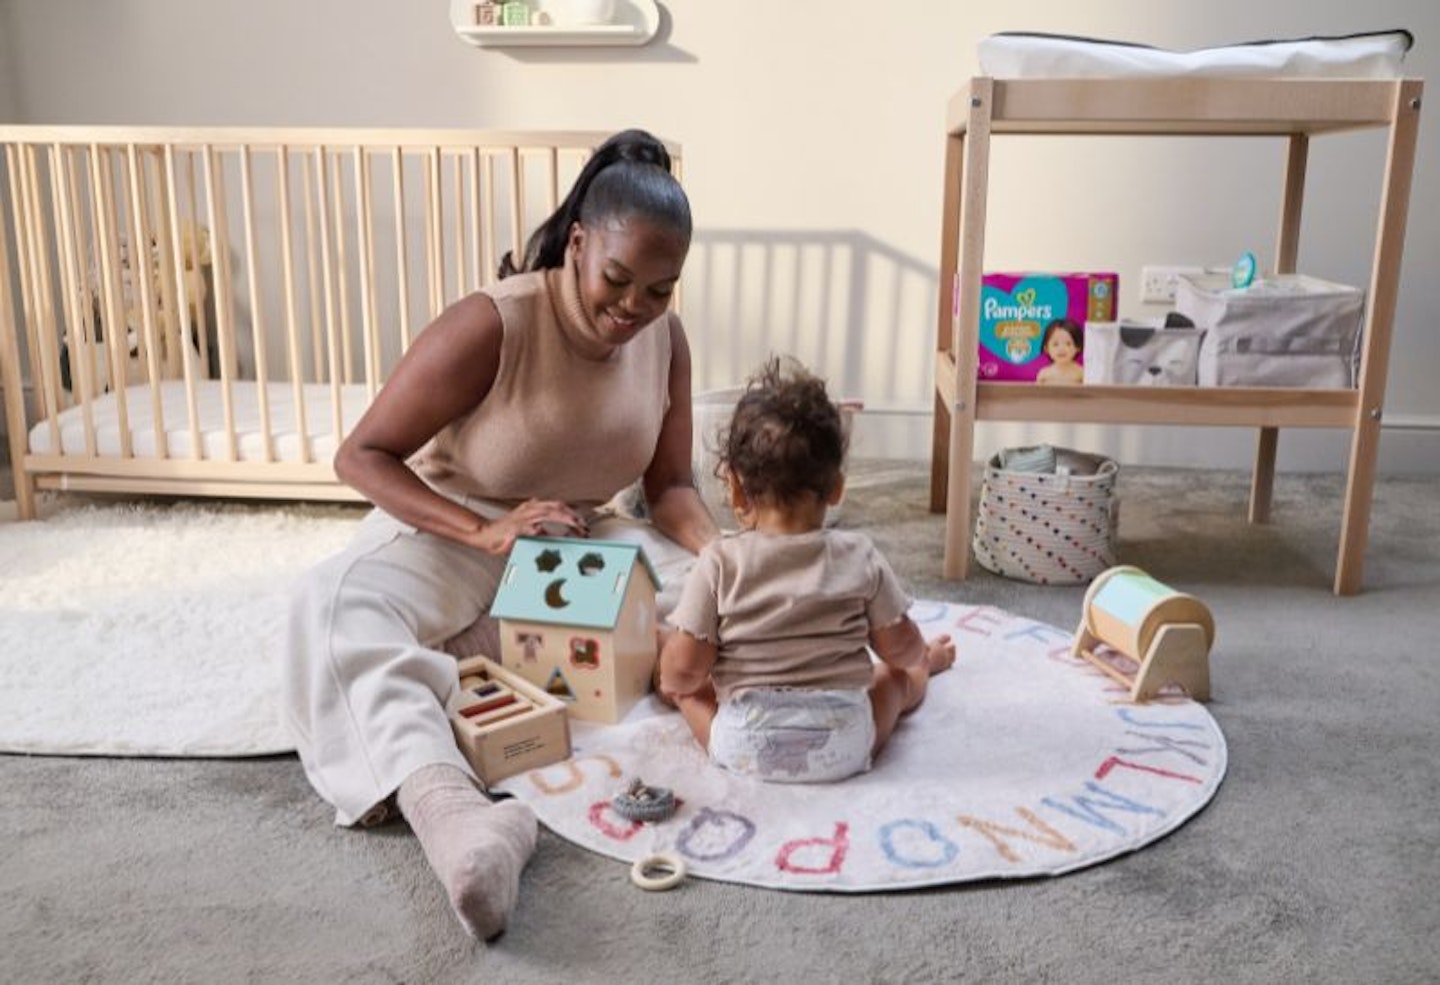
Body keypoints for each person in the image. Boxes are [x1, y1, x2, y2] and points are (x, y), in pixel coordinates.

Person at [282, 128, 719, 941]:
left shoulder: (667, 339)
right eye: (617, 280)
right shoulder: (492, 322)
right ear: (580, 244)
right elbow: (361, 455)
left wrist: (723, 555)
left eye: (658, 291)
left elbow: (669, 488)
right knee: (330, 606)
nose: (633, 308)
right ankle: (460, 819)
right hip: (460, 524)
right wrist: (485, 535)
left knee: (711, 602)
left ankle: (468, 654)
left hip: (583, 533)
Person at [657, 357, 955, 784]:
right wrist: (919, 659)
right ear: (836, 487)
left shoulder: (718, 562)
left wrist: (676, 683)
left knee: (690, 691)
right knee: (893, 679)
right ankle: (930, 670)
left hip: (747, 745)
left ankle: (692, 712)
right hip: (842, 746)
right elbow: (900, 648)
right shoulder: (859, 556)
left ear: (736, 488)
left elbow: (684, 669)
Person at [1035, 316, 1084, 385]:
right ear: (1046, 348)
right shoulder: (1044, 375)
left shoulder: (1081, 374)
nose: (1061, 349)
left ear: (1078, 346)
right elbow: (1037, 395)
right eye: (1055, 344)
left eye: (1068, 344)